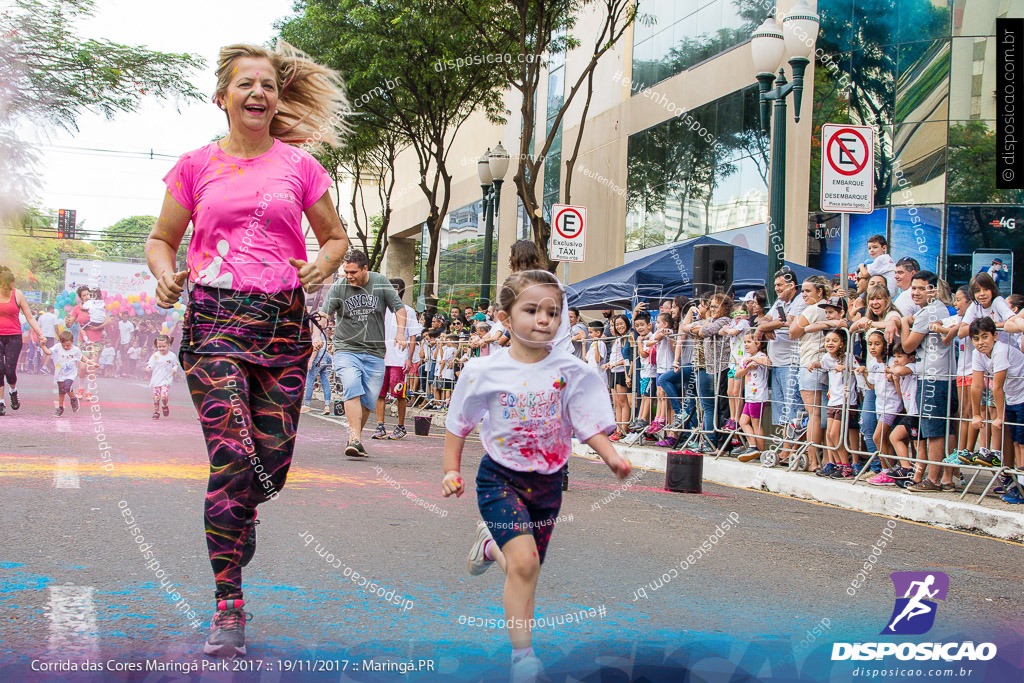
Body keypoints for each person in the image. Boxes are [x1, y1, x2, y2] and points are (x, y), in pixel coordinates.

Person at [146, 40, 351, 657]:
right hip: (212, 320)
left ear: (277, 98)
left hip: (284, 325)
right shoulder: (193, 166)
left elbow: (336, 237)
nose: (258, 93)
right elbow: (163, 238)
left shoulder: (300, 167)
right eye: (245, 84)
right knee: (233, 456)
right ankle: (228, 603)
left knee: (269, 468)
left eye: (268, 85)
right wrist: (164, 272)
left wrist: (322, 266)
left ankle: (241, 511)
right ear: (223, 98)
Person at [440, 269, 629, 683]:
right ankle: (523, 658)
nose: (544, 319)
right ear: (505, 318)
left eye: (553, 312)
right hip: (499, 478)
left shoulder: (571, 369)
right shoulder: (483, 370)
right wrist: (451, 470)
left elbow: (585, 421)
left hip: (548, 484)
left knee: (526, 568)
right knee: (524, 563)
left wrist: (611, 456)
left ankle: (489, 548)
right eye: (532, 310)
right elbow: (459, 424)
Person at [320, 249, 407, 457]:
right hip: (346, 349)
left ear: (365, 269)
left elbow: (399, 308)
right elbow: (325, 313)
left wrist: (401, 333)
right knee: (351, 386)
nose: (348, 276)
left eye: (353, 272)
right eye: (345, 272)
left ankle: (354, 439)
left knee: (368, 401)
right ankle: (355, 438)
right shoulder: (340, 287)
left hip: (375, 353)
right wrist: (318, 331)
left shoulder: (380, 282)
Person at [901, 271, 957, 492]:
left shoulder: (927, 313)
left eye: (921, 288)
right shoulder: (939, 309)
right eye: (913, 288)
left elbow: (907, 346)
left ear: (933, 290)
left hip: (933, 378)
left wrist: (904, 322)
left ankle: (933, 479)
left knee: (933, 431)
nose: (915, 292)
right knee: (941, 429)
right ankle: (946, 478)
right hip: (942, 376)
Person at [969, 316, 1024, 503]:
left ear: (995, 336)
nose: (981, 342)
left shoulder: (1001, 351)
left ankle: (1022, 485)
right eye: (976, 339)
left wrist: (999, 416)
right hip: (1012, 398)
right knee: (1014, 441)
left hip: (1021, 397)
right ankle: (1014, 480)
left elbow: (997, 387)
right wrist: (976, 414)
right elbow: (976, 386)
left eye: (985, 337)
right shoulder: (978, 353)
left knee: (1022, 442)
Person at [756, 269, 806, 451]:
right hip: (776, 362)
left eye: (779, 285)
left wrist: (764, 328)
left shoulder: (800, 300)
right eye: (775, 285)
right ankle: (785, 448)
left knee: (792, 408)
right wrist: (766, 326)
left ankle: (791, 450)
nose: (776, 289)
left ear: (791, 285)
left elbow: (789, 321)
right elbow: (764, 319)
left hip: (791, 362)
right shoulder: (779, 301)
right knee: (780, 410)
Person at [790, 276, 835, 471]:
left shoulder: (813, 309)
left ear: (820, 292)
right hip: (825, 365)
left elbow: (793, 331)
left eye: (808, 291)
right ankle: (825, 460)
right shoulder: (831, 310)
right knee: (824, 416)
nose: (804, 295)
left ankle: (813, 461)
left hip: (810, 363)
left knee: (814, 416)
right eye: (803, 291)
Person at [372, 278, 423, 440]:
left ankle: (401, 427)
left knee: (399, 394)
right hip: (381, 358)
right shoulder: (381, 310)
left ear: (400, 290)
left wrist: (409, 359)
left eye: (394, 288)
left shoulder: (408, 311)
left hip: (398, 359)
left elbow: (413, 338)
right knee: (379, 394)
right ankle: (380, 426)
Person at [0, 266, 46, 415]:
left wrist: (40, 333)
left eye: (10, 287)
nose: (7, 290)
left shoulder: (18, 295)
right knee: (0, 369)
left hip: (14, 337)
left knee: (9, 371)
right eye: (5, 288)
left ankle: (13, 391)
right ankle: (1, 402)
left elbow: (30, 317)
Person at [733, 329, 770, 461]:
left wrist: (754, 360)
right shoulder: (745, 358)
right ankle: (753, 446)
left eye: (749, 342)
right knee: (743, 421)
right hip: (749, 396)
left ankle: (760, 452)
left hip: (758, 395)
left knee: (756, 423)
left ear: (758, 343)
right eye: (745, 342)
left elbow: (767, 363)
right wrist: (747, 367)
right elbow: (737, 374)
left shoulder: (761, 356)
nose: (746, 345)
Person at [39, 330, 82, 416]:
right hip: (60, 374)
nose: (65, 347)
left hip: (70, 373)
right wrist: (43, 345)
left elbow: (81, 358)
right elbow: (48, 352)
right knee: (61, 391)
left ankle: (73, 399)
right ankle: (60, 407)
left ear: (72, 342)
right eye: (64, 345)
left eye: (68, 345)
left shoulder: (75, 350)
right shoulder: (57, 347)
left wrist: (89, 363)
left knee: (67, 387)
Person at [302, 313, 333, 415]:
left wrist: (310, 361)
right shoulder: (324, 334)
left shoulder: (317, 335)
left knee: (309, 380)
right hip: (326, 358)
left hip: (318, 359)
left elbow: (316, 349)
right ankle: (327, 405)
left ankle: (306, 405)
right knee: (325, 382)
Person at [145, 334, 181, 419]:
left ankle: (165, 405)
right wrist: (149, 367)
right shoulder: (155, 355)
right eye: (159, 347)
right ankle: (156, 412)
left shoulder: (172, 356)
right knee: (156, 397)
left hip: (166, 379)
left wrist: (174, 369)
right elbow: (151, 363)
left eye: (163, 346)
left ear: (168, 345)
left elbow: (175, 364)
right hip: (156, 379)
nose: (161, 348)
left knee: (164, 396)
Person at [37, 304, 58, 370]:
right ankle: (44, 367)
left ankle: (44, 368)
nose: (54, 311)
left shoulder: (41, 317)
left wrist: (39, 336)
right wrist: (59, 335)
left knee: (44, 352)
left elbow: (38, 327)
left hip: (43, 335)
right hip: (50, 336)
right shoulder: (53, 316)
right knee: (50, 351)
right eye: (53, 310)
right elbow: (56, 327)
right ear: (51, 309)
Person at [117, 312, 136, 377]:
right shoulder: (119, 323)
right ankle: (123, 372)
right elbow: (119, 333)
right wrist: (118, 342)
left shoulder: (130, 324)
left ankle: (127, 372)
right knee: (122, 358)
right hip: (121, 342)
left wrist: (129, 343)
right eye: (124, 317)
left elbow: (132, 335)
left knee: (127, 358)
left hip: (127, 343)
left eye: (126, 317)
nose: (125, 318)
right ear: (122, 317)